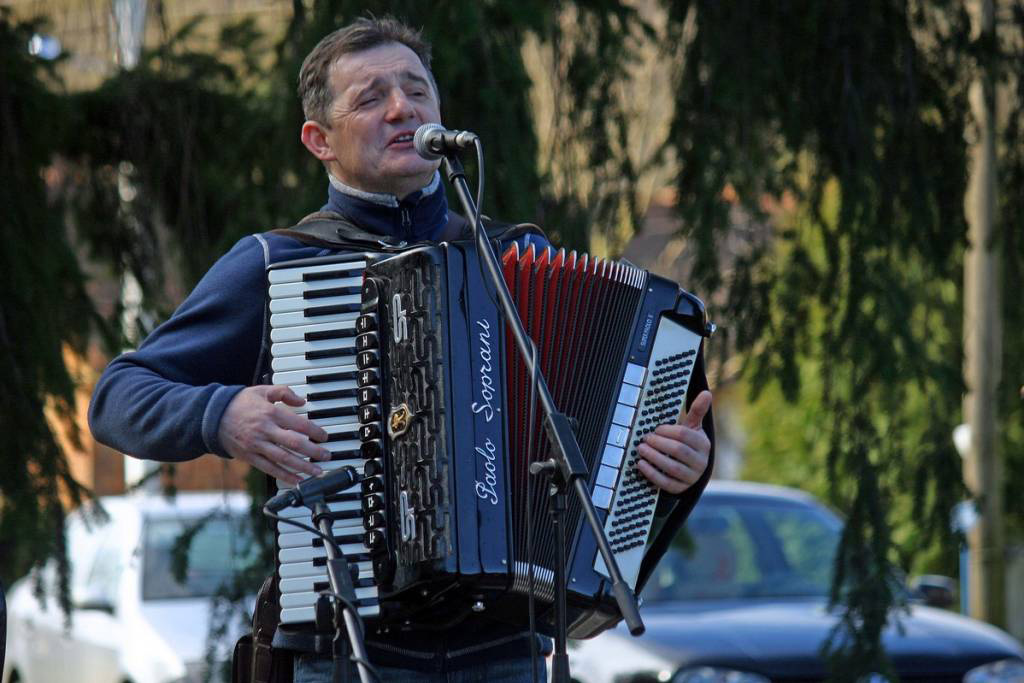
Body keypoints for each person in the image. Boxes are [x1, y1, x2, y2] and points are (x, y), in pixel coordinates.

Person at [88, 16, 713, 683]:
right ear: (318, 141)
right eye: (370, 97)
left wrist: (680, 464)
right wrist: (222, 415)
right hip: (348, 651)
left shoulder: (513, 259)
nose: (400, 108)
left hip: (506, 651)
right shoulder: (279, 265)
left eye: (416, 90)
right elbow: (118, 396)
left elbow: (623, 440)